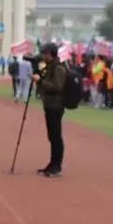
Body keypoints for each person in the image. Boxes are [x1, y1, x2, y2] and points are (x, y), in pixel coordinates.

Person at [33, 43, 67, 178]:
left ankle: (57, 166)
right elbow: (43, 73)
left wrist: (40, 81)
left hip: (56, 105)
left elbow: (57, 87)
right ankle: (52, 163)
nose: (43, 56)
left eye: (45, 53)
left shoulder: (59, 68)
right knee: (52, 136)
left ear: (51, 54)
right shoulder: (50, 66)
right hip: (49, 105)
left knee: (56, 136)